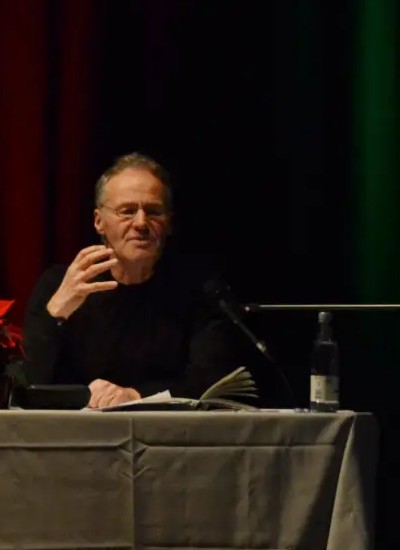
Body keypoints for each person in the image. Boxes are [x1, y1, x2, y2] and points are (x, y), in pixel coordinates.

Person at [23, 153, 239, 407]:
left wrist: (135, 396)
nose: (141, 223)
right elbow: (29, 381)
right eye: (126, 211)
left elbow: (213, 381)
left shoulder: (200, 291)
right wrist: (56, 313)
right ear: (98, 221)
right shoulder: (58, 284)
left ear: (169, 223)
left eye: (154, 211)